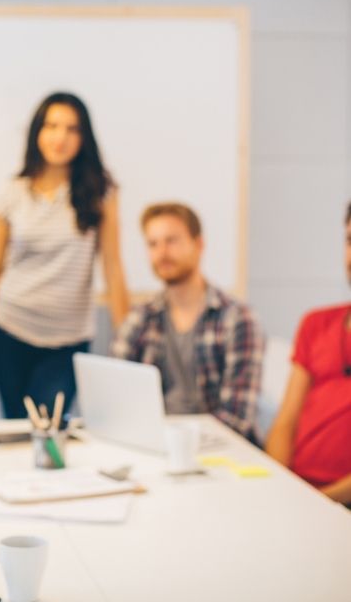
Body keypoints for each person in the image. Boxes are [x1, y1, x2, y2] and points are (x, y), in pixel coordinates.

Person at [0, 92, 129, 419]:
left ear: (84, 138)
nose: (61, 137)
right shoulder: (12, 193)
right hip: (9, 330)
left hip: (68, 339)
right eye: (52, 126)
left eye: (72, 129)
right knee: (17, 427)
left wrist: (126, 346)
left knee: (47, 425)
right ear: (37, 131)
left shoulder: (101, 193)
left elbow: (113, 269)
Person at [111, 203, 264, 440]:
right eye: (153, 244)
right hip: (155, 443)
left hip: (223, 449)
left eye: (172, 241)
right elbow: (117, 393)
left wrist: (177, 440)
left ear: (198, 244)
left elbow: (237, 417)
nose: (162, 253)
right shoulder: (142, 317)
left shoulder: (237, 319)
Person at [265, 202, 351, 504]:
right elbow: (285, 421)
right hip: (296, 489)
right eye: (350, 240)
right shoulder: (316, 323)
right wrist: (279, 485)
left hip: (337, 501)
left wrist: (320, 501)